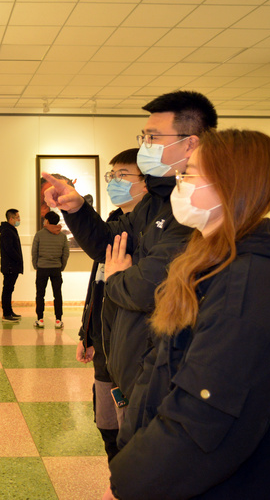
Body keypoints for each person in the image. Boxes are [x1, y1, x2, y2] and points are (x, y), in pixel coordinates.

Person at [104, 129, 270, 499]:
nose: (179, 184)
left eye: (189, 174)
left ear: (229, 184)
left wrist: (127, 485)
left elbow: (205, 421)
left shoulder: (251, 286)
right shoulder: (207, 264)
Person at [44, 90, 217, 408]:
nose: (145, 146)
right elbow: (108, 246)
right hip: (132, 364)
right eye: (144, 137)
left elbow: (147, 286)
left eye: (153, 137)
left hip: (167, 373)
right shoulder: (154, 202)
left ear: (190, 144)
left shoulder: (195, 208)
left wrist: (116, 277)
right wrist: (78, 209)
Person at [77, 148, 146, 461]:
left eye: (123, 175)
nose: (115, 182)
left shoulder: (156, 235)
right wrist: (86, 333)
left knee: (134, 438)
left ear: (148, 182)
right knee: (108, 431)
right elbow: (98, 287)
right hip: (104, 348)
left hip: (135, 353)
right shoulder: (113, 225)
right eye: (112, 176)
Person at [32, 211, 69, 329]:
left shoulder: (39, 234)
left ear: (47, 221)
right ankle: (58, 320)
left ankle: (40, 319)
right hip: (56, 269)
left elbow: (34, 253)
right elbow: (65, 254)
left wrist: (36, 266)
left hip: (42, 268)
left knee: (40, 294)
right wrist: (61, 266)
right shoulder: (62, 236)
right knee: (57, 294)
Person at [0, 208, 23, 322]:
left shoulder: (11, 230)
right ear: (11, 218)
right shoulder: (7, 231)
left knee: (9, 289)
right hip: (9, 266)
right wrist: (18, 259)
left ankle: (9, 311)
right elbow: (9, 249)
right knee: (7, 289)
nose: (19, 219)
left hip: (12, 265)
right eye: (17, 217)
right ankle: (6, 313)